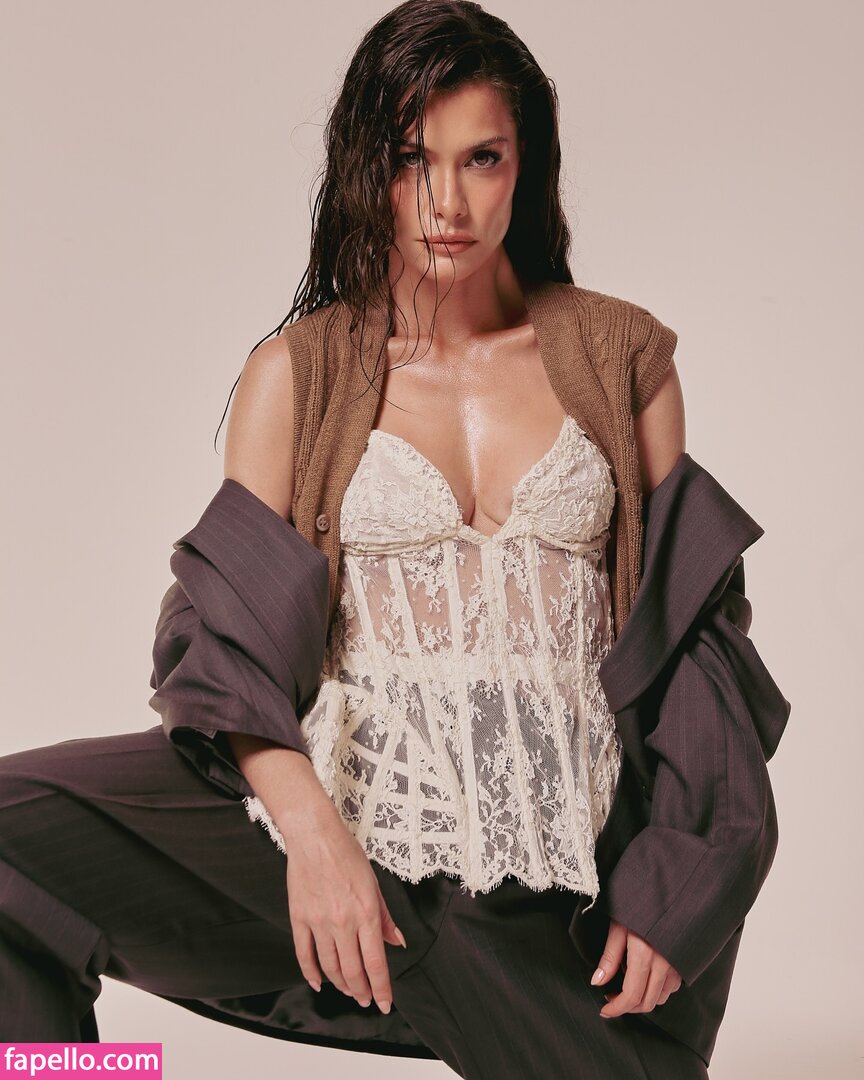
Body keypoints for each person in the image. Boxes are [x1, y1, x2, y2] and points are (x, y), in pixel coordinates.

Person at [0, 2, 787, 1076]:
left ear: (526, 166)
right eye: (413, 159)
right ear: (366, 167)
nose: (446, 204)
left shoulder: (622, 358)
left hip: (555, 885)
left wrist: (678, 884)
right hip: (334, 832)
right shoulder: (299, 374)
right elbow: (226, 648)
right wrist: (314, 838)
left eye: (481, 158)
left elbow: (698, 648)